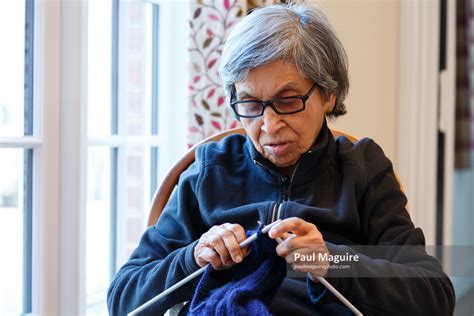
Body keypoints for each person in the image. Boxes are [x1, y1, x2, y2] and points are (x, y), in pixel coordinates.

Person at [107, 3, 455, 315]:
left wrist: (334, 262)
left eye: (287, 101)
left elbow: (433, 295)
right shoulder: (209, 170)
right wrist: (192, 257)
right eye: (250, 104)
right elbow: (123, 298)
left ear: (329, 94)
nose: (269, 126)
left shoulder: (362, 169)